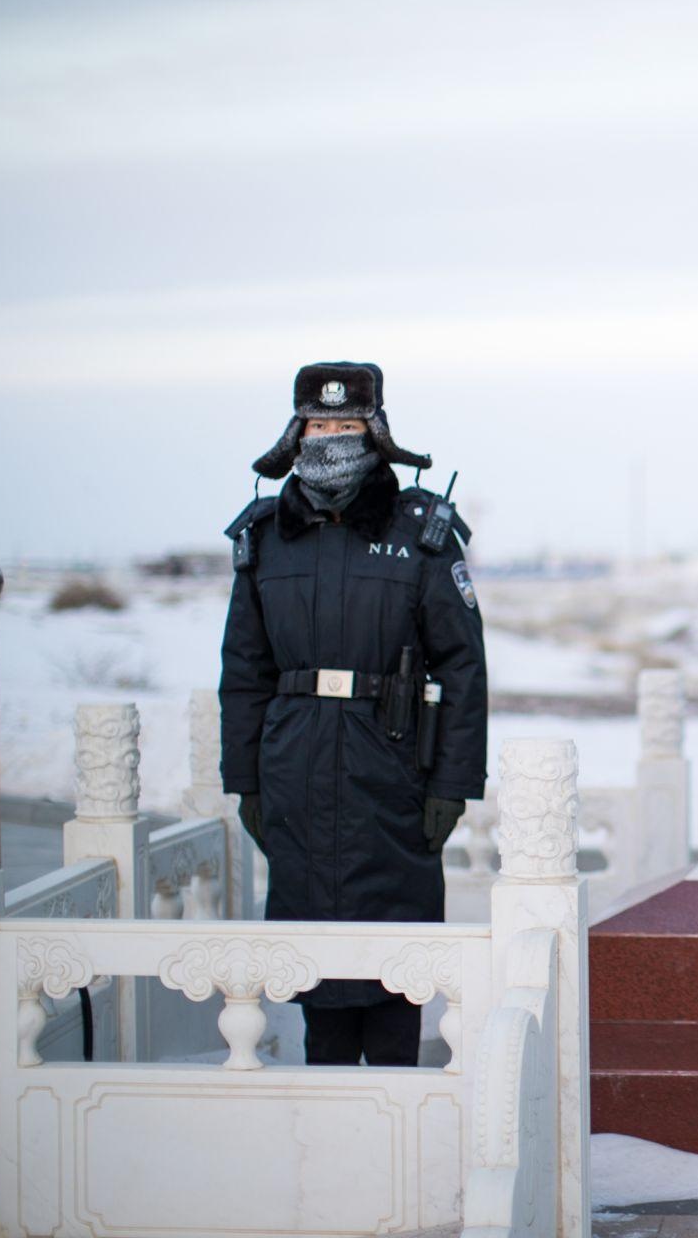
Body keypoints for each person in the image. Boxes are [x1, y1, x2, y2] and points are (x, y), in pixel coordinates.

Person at [219, 361, 488, 1066]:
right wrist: (244, 780)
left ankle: (397, 1117)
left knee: (397, 964)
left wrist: (451, 786)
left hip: (392, 769)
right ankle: (327, 1129)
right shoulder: (264, 537)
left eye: (345, 425)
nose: (329, 439)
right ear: (294, 431)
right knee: (316, 967)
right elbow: (245, 673)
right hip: (295, 770)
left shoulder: (423, 533)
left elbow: (463, 668)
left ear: (376, 430)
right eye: (317, 424)